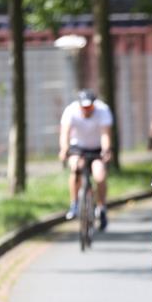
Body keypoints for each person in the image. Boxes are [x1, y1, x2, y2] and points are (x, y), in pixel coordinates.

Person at [59, 89, 112, 230]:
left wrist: (106, 150)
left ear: (94, 104)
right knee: (75, 167)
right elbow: (65, 133)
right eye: (84, 107)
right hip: (78, 147)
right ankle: (74, 204)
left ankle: (102, 208)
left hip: (97, 148)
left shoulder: (103, 110)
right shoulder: (70, 111)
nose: (87, 110)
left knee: (99, 175)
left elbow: (105, 134)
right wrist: (64, 150)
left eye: (90, 107)